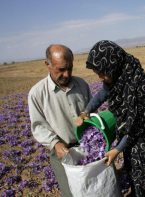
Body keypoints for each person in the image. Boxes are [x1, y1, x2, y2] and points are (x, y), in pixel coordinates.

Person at [76, 40, 145, 196]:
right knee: (138, 176)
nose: (101, 77)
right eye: (98, 74)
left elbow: (136, 126)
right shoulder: (116, 77)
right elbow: (102, 93)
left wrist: (117, 149)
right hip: (131, 139)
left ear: (113, 65)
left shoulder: (138, 87)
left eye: (103, 72)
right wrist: (86, 111)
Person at [28, 44, 92, 197]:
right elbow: (38, 126)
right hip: (62, 153)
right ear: (47, 64)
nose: (67, 74)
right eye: (61, 69)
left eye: (70, 68)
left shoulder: (81, 84)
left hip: (88, 147)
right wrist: (55, 143)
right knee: (71, 192)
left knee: (93, 189)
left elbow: (91, 111)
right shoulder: (37, 93)